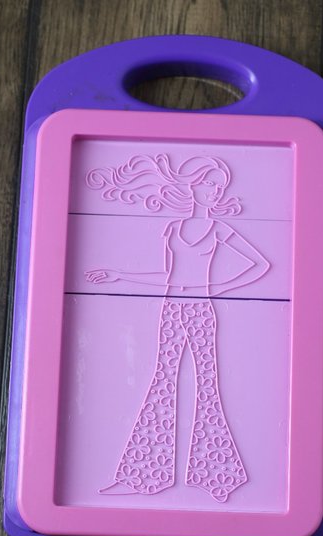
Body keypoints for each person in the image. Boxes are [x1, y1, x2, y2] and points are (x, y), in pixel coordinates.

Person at [86, 154, 270, 502]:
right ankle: (142, 477)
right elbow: (168, 275)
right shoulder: (172, 228)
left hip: (201, 310)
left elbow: (259, 264)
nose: (213, 191)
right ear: (193, 185)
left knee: (207, 385)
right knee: (163, 380)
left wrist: (218, 288)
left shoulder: (219, 229)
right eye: (208, 183)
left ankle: (218, 479)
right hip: (171, 307)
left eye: (218, 186)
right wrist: (120, 275)